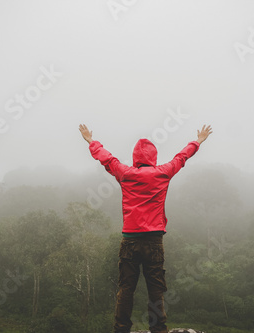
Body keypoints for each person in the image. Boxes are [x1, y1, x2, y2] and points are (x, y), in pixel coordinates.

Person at [79, 124, 213, 333]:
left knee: (126, 288)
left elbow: (108, 159)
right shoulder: (163, 173)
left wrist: (90, 141)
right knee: (156, 289)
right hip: (154, 241)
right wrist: (198, 141)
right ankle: (158, 329)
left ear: (135, 158)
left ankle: (121, 329)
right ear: (154, 157)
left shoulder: (125, 173)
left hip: (130, 240)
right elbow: (181, 158)